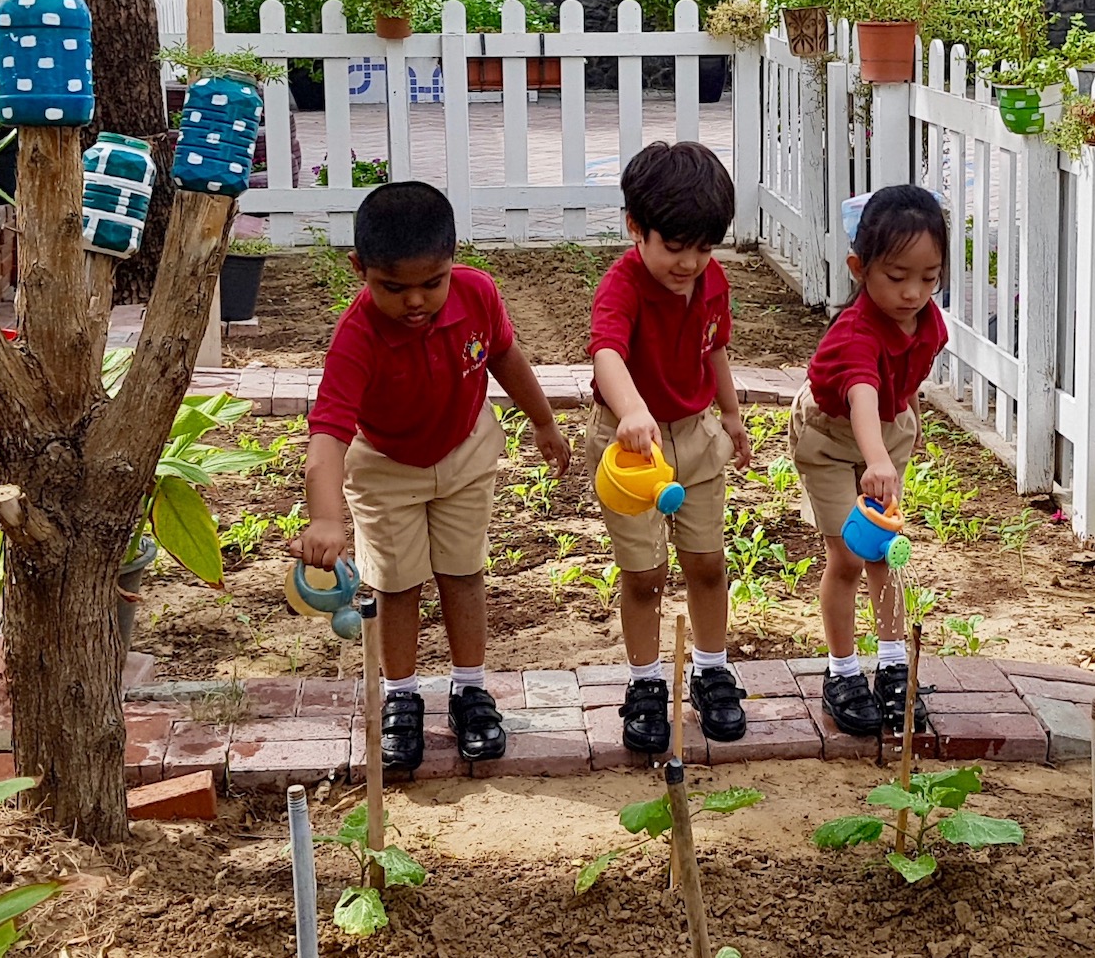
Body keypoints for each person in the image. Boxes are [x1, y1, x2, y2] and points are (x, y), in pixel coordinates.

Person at [294, 181, 571, 771]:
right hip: (386, 468)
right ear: (359, 269)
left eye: (432, 283)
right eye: (394, 287)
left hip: (466, 452)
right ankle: (401, 695)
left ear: (454, 262)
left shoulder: (477, 293)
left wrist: (544, 421)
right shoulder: (356, 338)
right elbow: (328, 437)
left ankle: (470, 689)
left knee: (463, 571)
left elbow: (505, 357)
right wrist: (324, 517)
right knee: (397, 584)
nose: (416, 301)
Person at [587, 140, 754, 754]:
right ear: (637, 228)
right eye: (675, 248)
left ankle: (712, 668)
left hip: (697, 435)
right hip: (631, 449)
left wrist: (731, 416)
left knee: (707, 561)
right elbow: (606, 351)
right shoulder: (622, 285)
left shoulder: (712, 282)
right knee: (646, 572)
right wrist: (632, 410)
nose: (690, 263)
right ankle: (645, 683)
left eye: (704, 248)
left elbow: (715, 349)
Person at [789, 184, 948, 737]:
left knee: (889, 551)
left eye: (929, 278)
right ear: (860, 268)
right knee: (850, 554)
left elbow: (900, 385)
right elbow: (860, 392)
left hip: (886, 432)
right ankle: (841, 672)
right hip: (831, 438)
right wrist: (876, 458)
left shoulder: (931, 324)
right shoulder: (855, 331)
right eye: (896, 276)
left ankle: (894, 663)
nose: (913, 293)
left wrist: (897, 433)